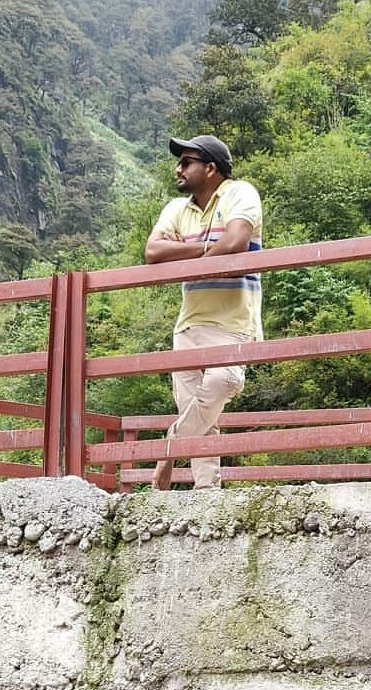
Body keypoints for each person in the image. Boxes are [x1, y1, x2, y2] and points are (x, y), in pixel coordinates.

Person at [145, 135, 263, 490]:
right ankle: (206, 493)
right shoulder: (177, 209)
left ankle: (169, 450)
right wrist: (209, 249)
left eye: (187, 162)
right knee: (201, 414)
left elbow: (236, 242)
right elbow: (152, 252)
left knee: (225, 381)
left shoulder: (239, 193)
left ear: (210, 168)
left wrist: (188, 252)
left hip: (233, 321)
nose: (178, 168)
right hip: (189, 324)